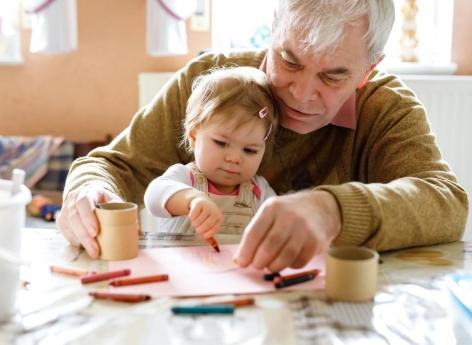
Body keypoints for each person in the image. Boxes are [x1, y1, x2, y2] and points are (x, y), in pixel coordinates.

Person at [57, 0, 468, 273]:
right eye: (289, 60)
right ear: (273, 31)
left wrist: (334, 210)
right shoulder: (213, 84)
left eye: (333, 75)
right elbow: (111, 164)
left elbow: (445, 203)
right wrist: (89, 190)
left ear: (367, 70)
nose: (302, 93)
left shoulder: (386, 108)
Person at [143, 66, 277, 240]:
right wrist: (191, 200)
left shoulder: (259, 191)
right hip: (182, 266)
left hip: (236, 266)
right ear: (193, 136)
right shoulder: (185, 178)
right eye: (221, 143)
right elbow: (153, 197)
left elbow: (279, 221)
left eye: (250, 150)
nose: (235, 158)